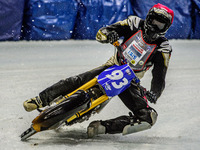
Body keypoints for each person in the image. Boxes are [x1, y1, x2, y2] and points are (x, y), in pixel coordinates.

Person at [23, 3, 174, 138]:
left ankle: (103, 127)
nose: (154, 27)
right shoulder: (133, 23)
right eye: (153, 22)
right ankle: (40, 99)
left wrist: (155, 93)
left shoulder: (163, 48)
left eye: (160, 25)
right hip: (113, 64)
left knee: (148, 117)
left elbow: (159, 76)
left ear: (165, 29)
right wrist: (109, 35)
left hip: (129, 80)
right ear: (148, 18)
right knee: (79, 80)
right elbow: (102, 32)